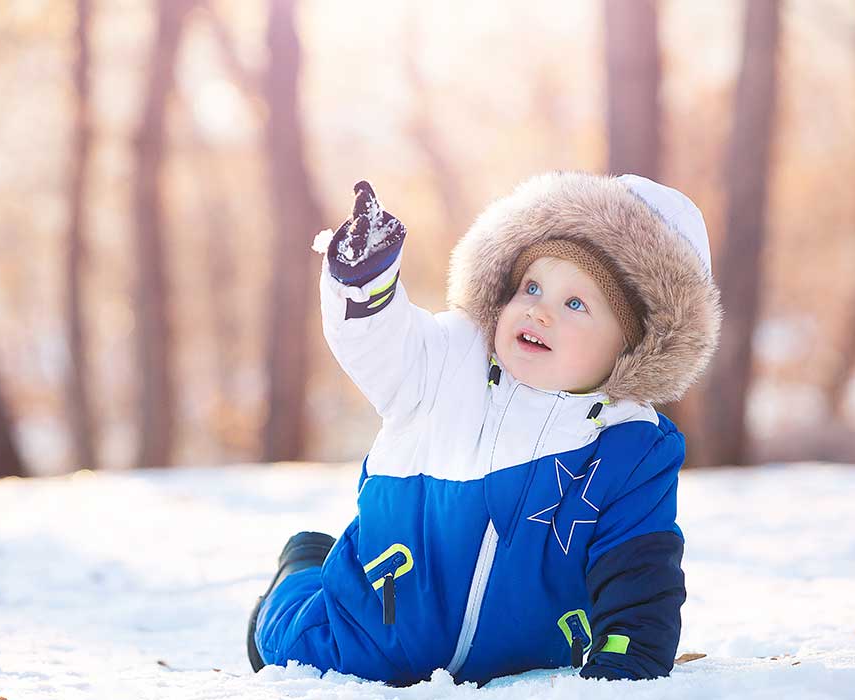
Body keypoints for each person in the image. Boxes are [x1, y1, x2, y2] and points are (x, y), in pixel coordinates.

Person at [246, 171, 722, 686]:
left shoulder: (633, 448)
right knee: (283, 646)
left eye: (575, 303)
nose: (539, 310)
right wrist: (366, 282)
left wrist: (627, 663)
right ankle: (303, 562)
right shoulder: (449, 359)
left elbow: (640, 569)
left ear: (632, 345)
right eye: (531, 286)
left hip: (523, 660)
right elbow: (381, 344)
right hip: (371, 627)